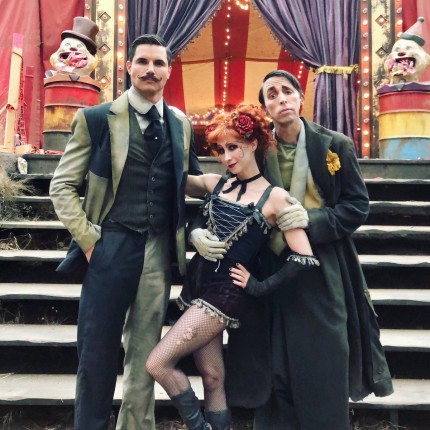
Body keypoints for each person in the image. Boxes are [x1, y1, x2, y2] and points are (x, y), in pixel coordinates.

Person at [223, 70, 394, 429]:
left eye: (287, 91)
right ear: (266, 107)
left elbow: (356, 206)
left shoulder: (334, 145)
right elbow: (229, 192)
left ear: (301, 98)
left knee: (324, 357)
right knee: (275, 365)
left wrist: (311, 221)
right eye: (271, 94)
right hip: (270, 266)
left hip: (323, 265)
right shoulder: (256, 148)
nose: (281, 98)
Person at [49, 34, 201, 430]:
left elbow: (189, 182)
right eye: (143, 62)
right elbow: (61, 186)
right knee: (96, 352)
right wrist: (89, 240)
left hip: (157, 250)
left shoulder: (180, 124)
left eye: (159, 63)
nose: (151, 69)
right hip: (109, 243)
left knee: (146, 355)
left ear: (169, 71)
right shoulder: (97, 119)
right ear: (129, 67)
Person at [146, 104, 323, 430]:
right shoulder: (215, 183)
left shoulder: (275, 197)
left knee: (158, 363)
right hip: (198, 285)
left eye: (234, 147)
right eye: (220, 149)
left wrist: (259, 286)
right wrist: (194, 231)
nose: (226, 157)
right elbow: (172, 179)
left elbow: (305, 258)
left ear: (253, 144)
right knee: (212, 377)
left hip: (224, 295)